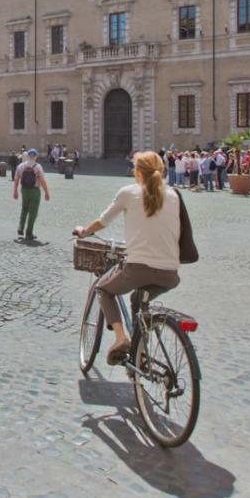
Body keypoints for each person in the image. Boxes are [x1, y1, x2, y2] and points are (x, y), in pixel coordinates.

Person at [72, 151, 181, 365]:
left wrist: (83, 231)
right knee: (138, 302)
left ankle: (121, 339)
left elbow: (103, 222)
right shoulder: (173, 194)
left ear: (138, 172)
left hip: (139, 268)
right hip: (171, 273)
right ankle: (140, 355)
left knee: (103, 289)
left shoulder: (128, 193)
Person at [13, 148, 51, 241]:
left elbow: (16, 179)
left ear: (28, 156)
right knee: (33, 213)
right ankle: (29, 233)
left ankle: (20, 227)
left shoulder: (21, 166)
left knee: (24, 209)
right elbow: (42, 181)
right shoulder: (38, 166)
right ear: (36, 156)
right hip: (35, 190)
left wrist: (15, 191)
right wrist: (46, 192)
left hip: (24, 190)